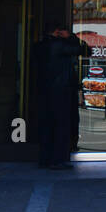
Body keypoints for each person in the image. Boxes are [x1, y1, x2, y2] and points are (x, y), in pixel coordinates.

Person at [33, 23, 82, 168]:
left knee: (46, 125)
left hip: (43, 90)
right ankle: (57, 160)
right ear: (58, 32)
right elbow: (85, 50)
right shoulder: (60, 45)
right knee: (61, 126)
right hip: (60, 91)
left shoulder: (38, 46)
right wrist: (71, 37)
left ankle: (45, 159)